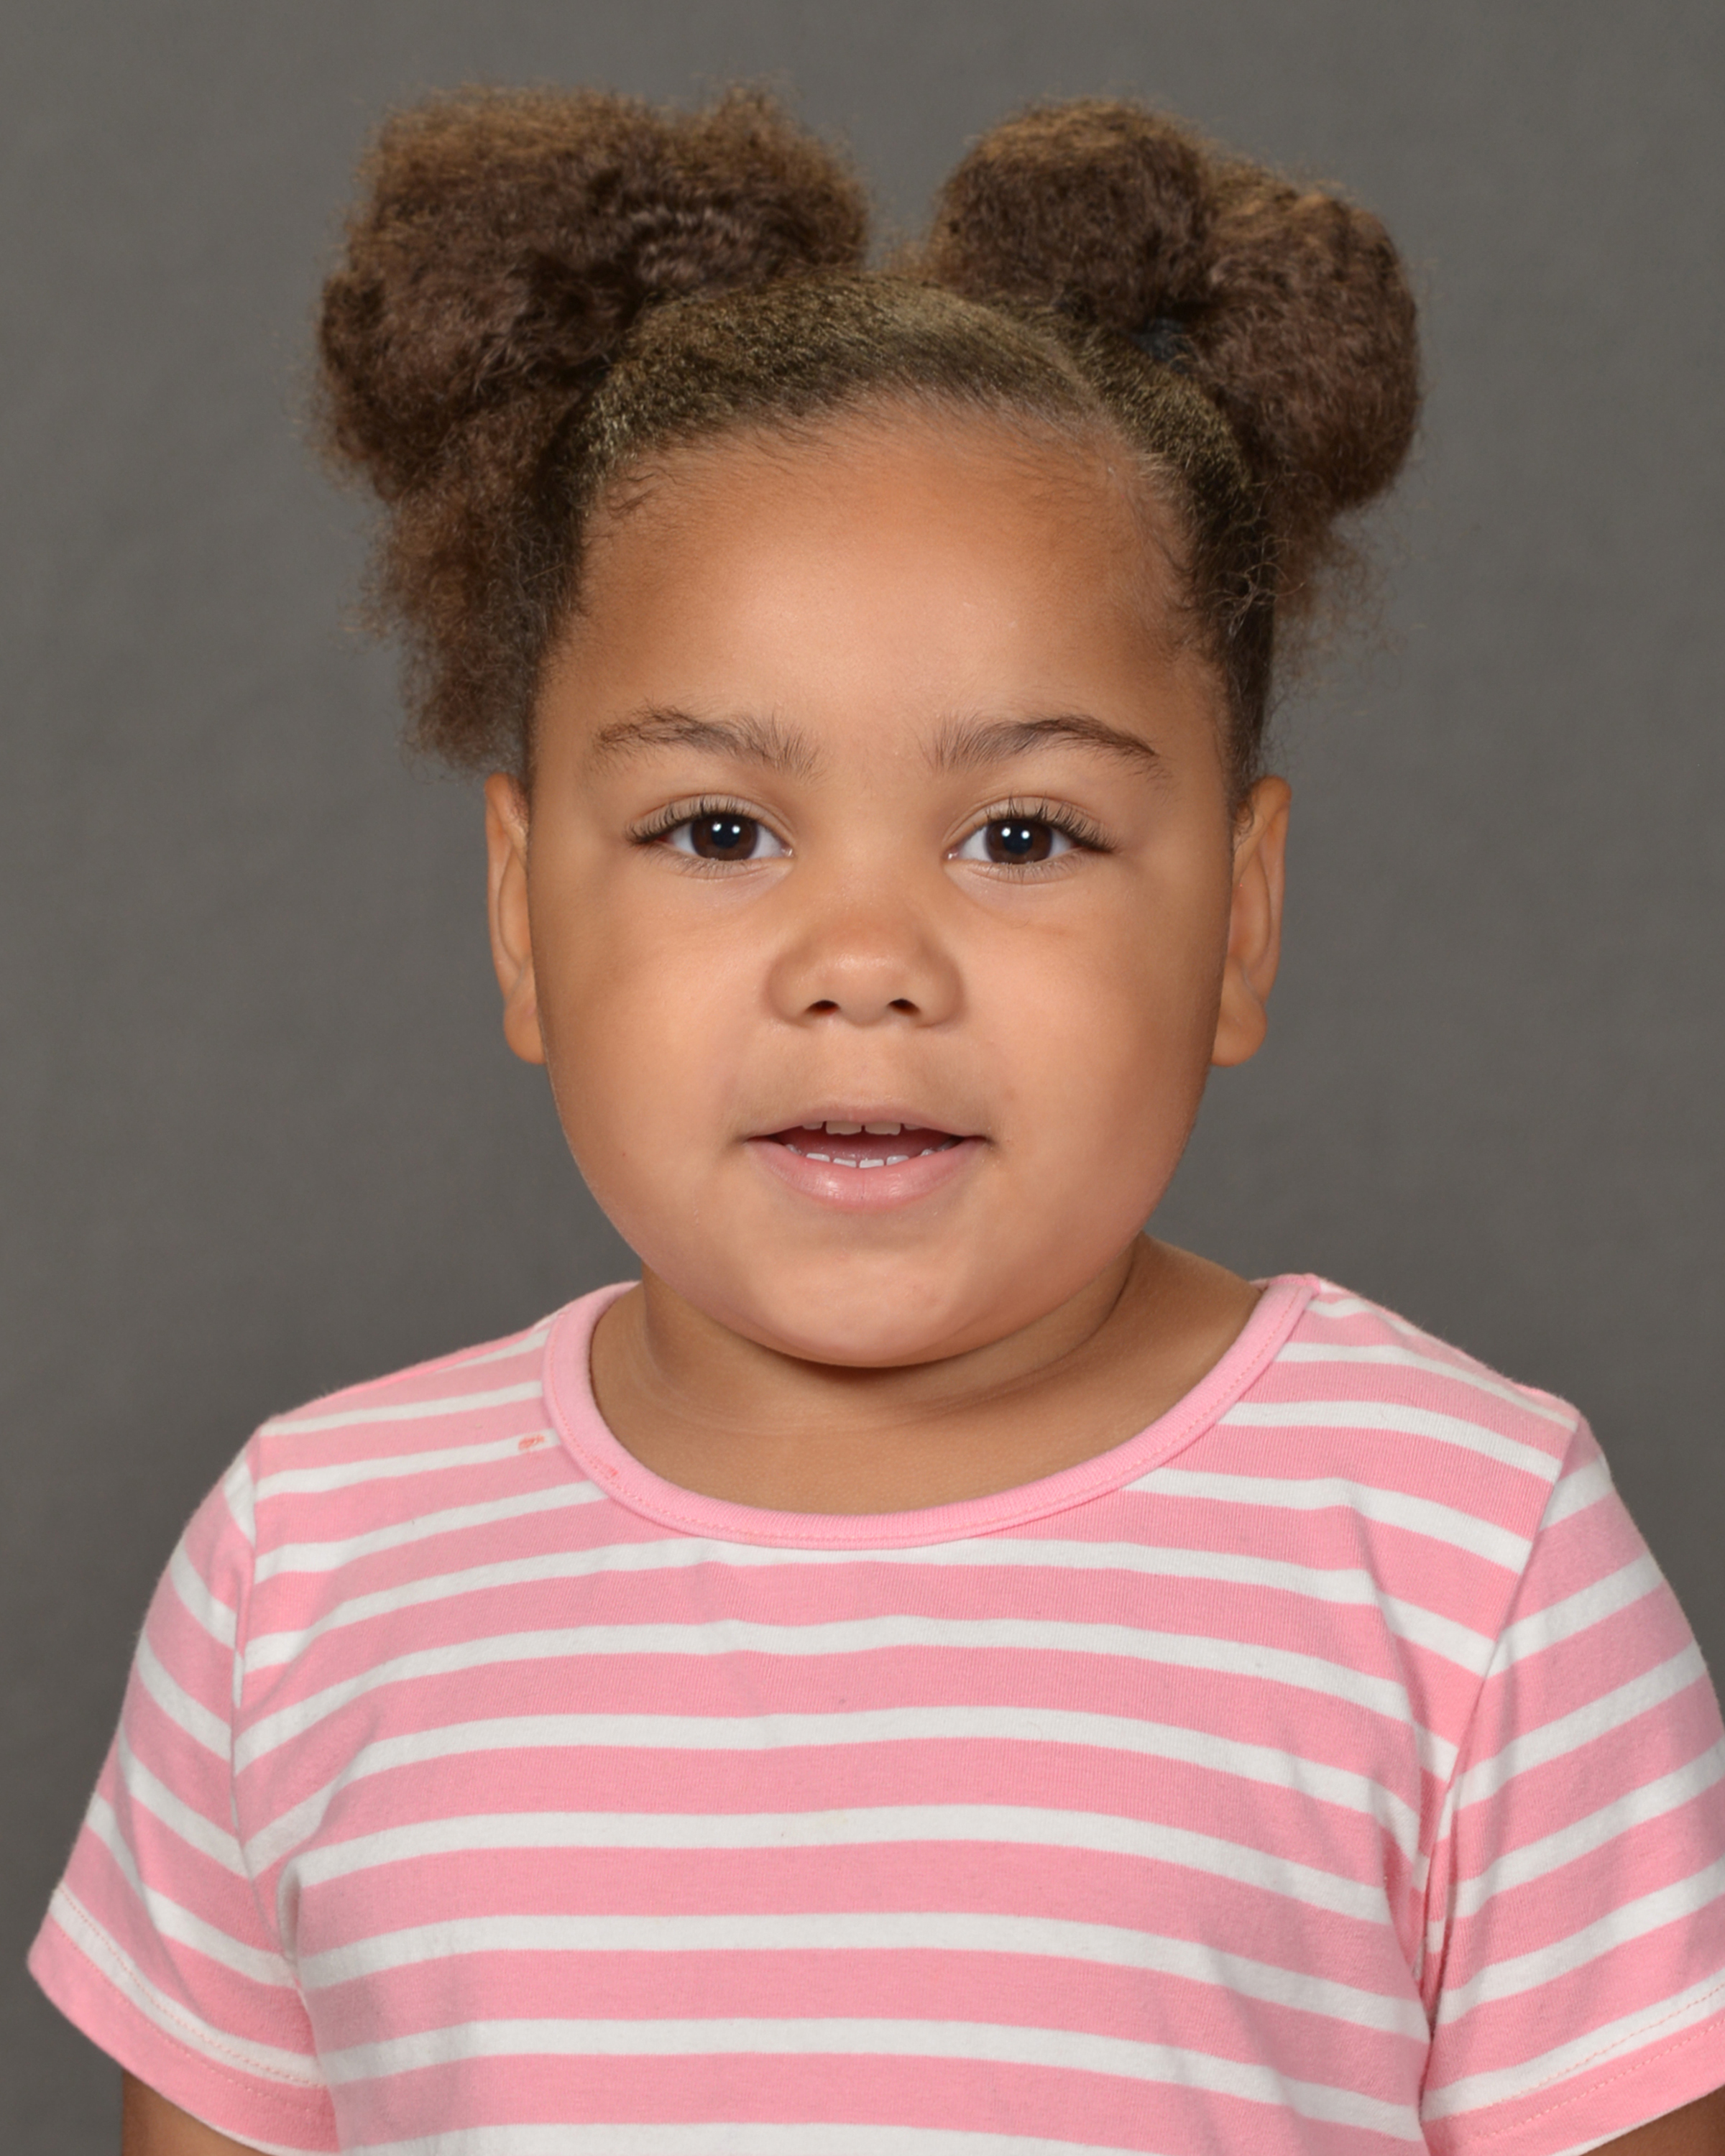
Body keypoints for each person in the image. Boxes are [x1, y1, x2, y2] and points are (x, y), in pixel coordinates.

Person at [29, 86, 1725, 2156]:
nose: (864, 960)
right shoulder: (305, 1572)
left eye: (1023, 833)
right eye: (716, 829)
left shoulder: (1470, 1563)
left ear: (1241, 918)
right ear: (522, 917)